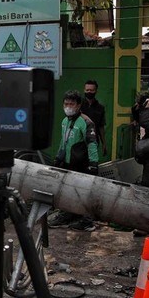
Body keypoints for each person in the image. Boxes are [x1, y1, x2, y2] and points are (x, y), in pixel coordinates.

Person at [48, 90, 99, 232]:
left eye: (71, 104)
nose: (68, 106)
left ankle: (87, 221)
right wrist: (58, 157)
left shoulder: (86, 122)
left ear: (78, 105)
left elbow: (92, 144)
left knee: (84, 192)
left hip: (83, 163)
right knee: (67, 190)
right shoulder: (65, 121)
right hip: (69, 162)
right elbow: (63, 142)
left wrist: (93, 164)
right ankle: (68, 215)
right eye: (66, 104)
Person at [80, 79, 107, 157]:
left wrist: (104, 143)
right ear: (84, 90)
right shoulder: (78, 105)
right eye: (87, 90)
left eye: (91, 90)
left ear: (96, 91)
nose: (89, 92)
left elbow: (101, 126)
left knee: (92, 163)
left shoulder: (100, 108)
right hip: (79, 140)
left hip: (93, 141)